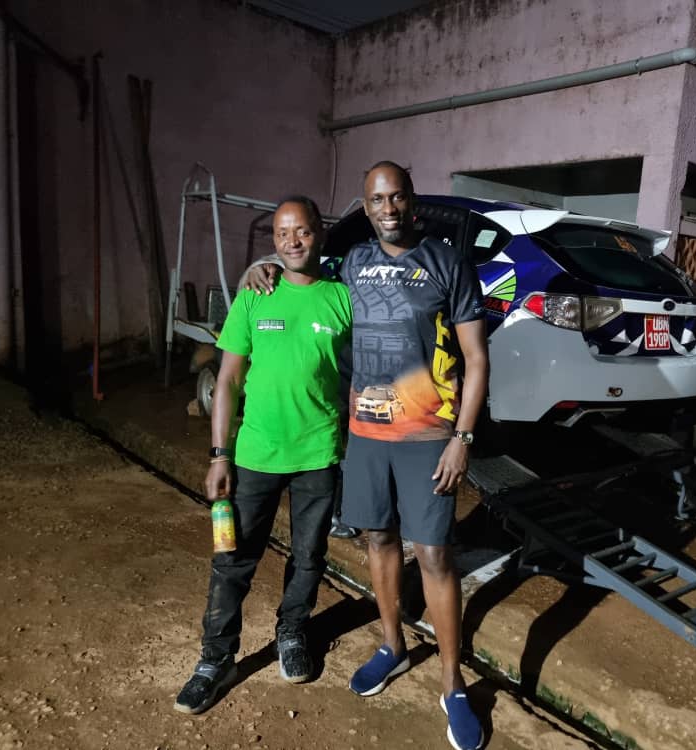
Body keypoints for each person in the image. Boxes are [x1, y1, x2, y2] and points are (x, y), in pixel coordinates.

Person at [245, 162, 489, 750]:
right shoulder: (350, 263)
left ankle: (453, 685)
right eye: (376, 199)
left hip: (428, 436)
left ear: (411, 201)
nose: (387, 208)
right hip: (367, 434)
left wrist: (462, 439)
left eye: (396, 196)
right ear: (366, 205)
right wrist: (262, 265)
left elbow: (478, 359)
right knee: (378, 540)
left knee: (433, 554)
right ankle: (392, 645)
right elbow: (301, 269)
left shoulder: (447, 263)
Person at [174, 196, 352, 715]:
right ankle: (215, 659)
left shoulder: (342, 299)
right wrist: (219, 455)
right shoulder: (255, 295)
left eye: (303, 231)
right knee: (232, 559)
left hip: (318, 453)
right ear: (273, 241)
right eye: (282, 233)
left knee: (309, 556)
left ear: (320, 234)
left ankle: (292, 631)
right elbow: (228, 380)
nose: (292, 241)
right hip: (254, 456)